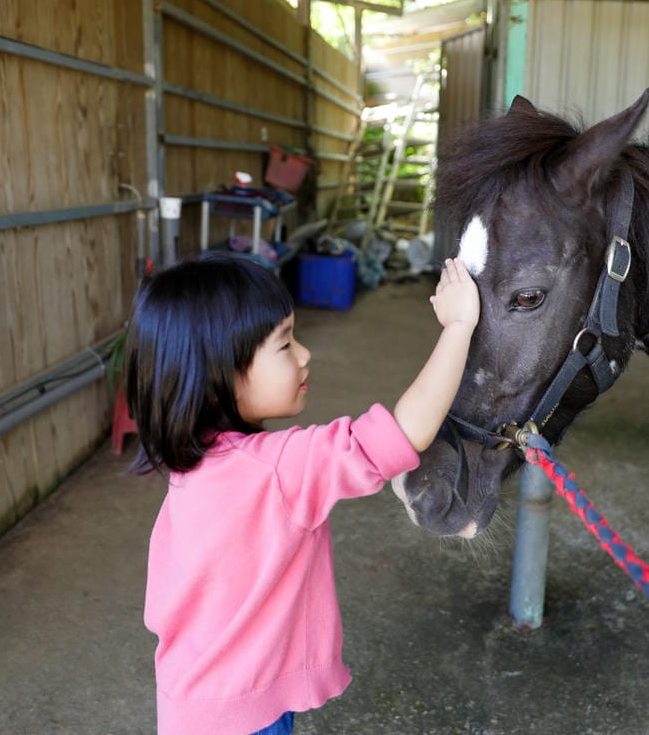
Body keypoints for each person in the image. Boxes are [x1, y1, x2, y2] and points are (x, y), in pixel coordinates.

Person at [124, 251, 479, 735]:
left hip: (190, 706)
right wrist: (458, 327)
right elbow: (405, 432)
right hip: (246, 720)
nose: (305, 354)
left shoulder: (192, 468)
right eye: (285, 344)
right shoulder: (276, 468)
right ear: (218, 378)